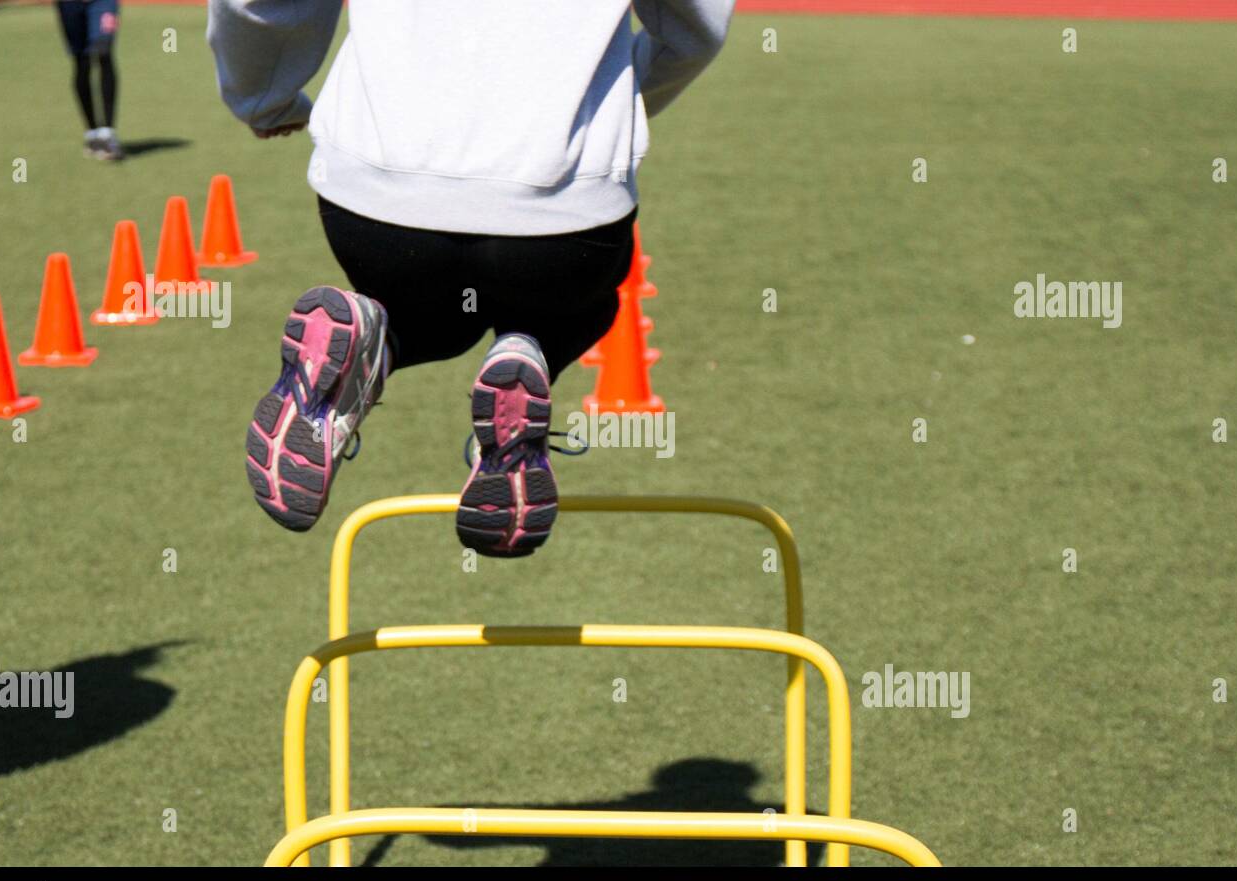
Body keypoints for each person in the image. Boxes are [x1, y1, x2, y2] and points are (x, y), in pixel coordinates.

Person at [208, 0, 733, 556]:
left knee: (438, 320)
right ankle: (528, 362)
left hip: (377, 211)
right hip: (565, 223)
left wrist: (264, 98)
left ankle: (372, 345)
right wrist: (621, 100)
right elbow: (696, 25)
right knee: (584, 308)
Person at [56, 0, 124, 160]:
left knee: (104, 53)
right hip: (69, 4)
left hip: (103, 2)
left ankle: (107, 134)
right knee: (82, 62)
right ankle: (92, 133)